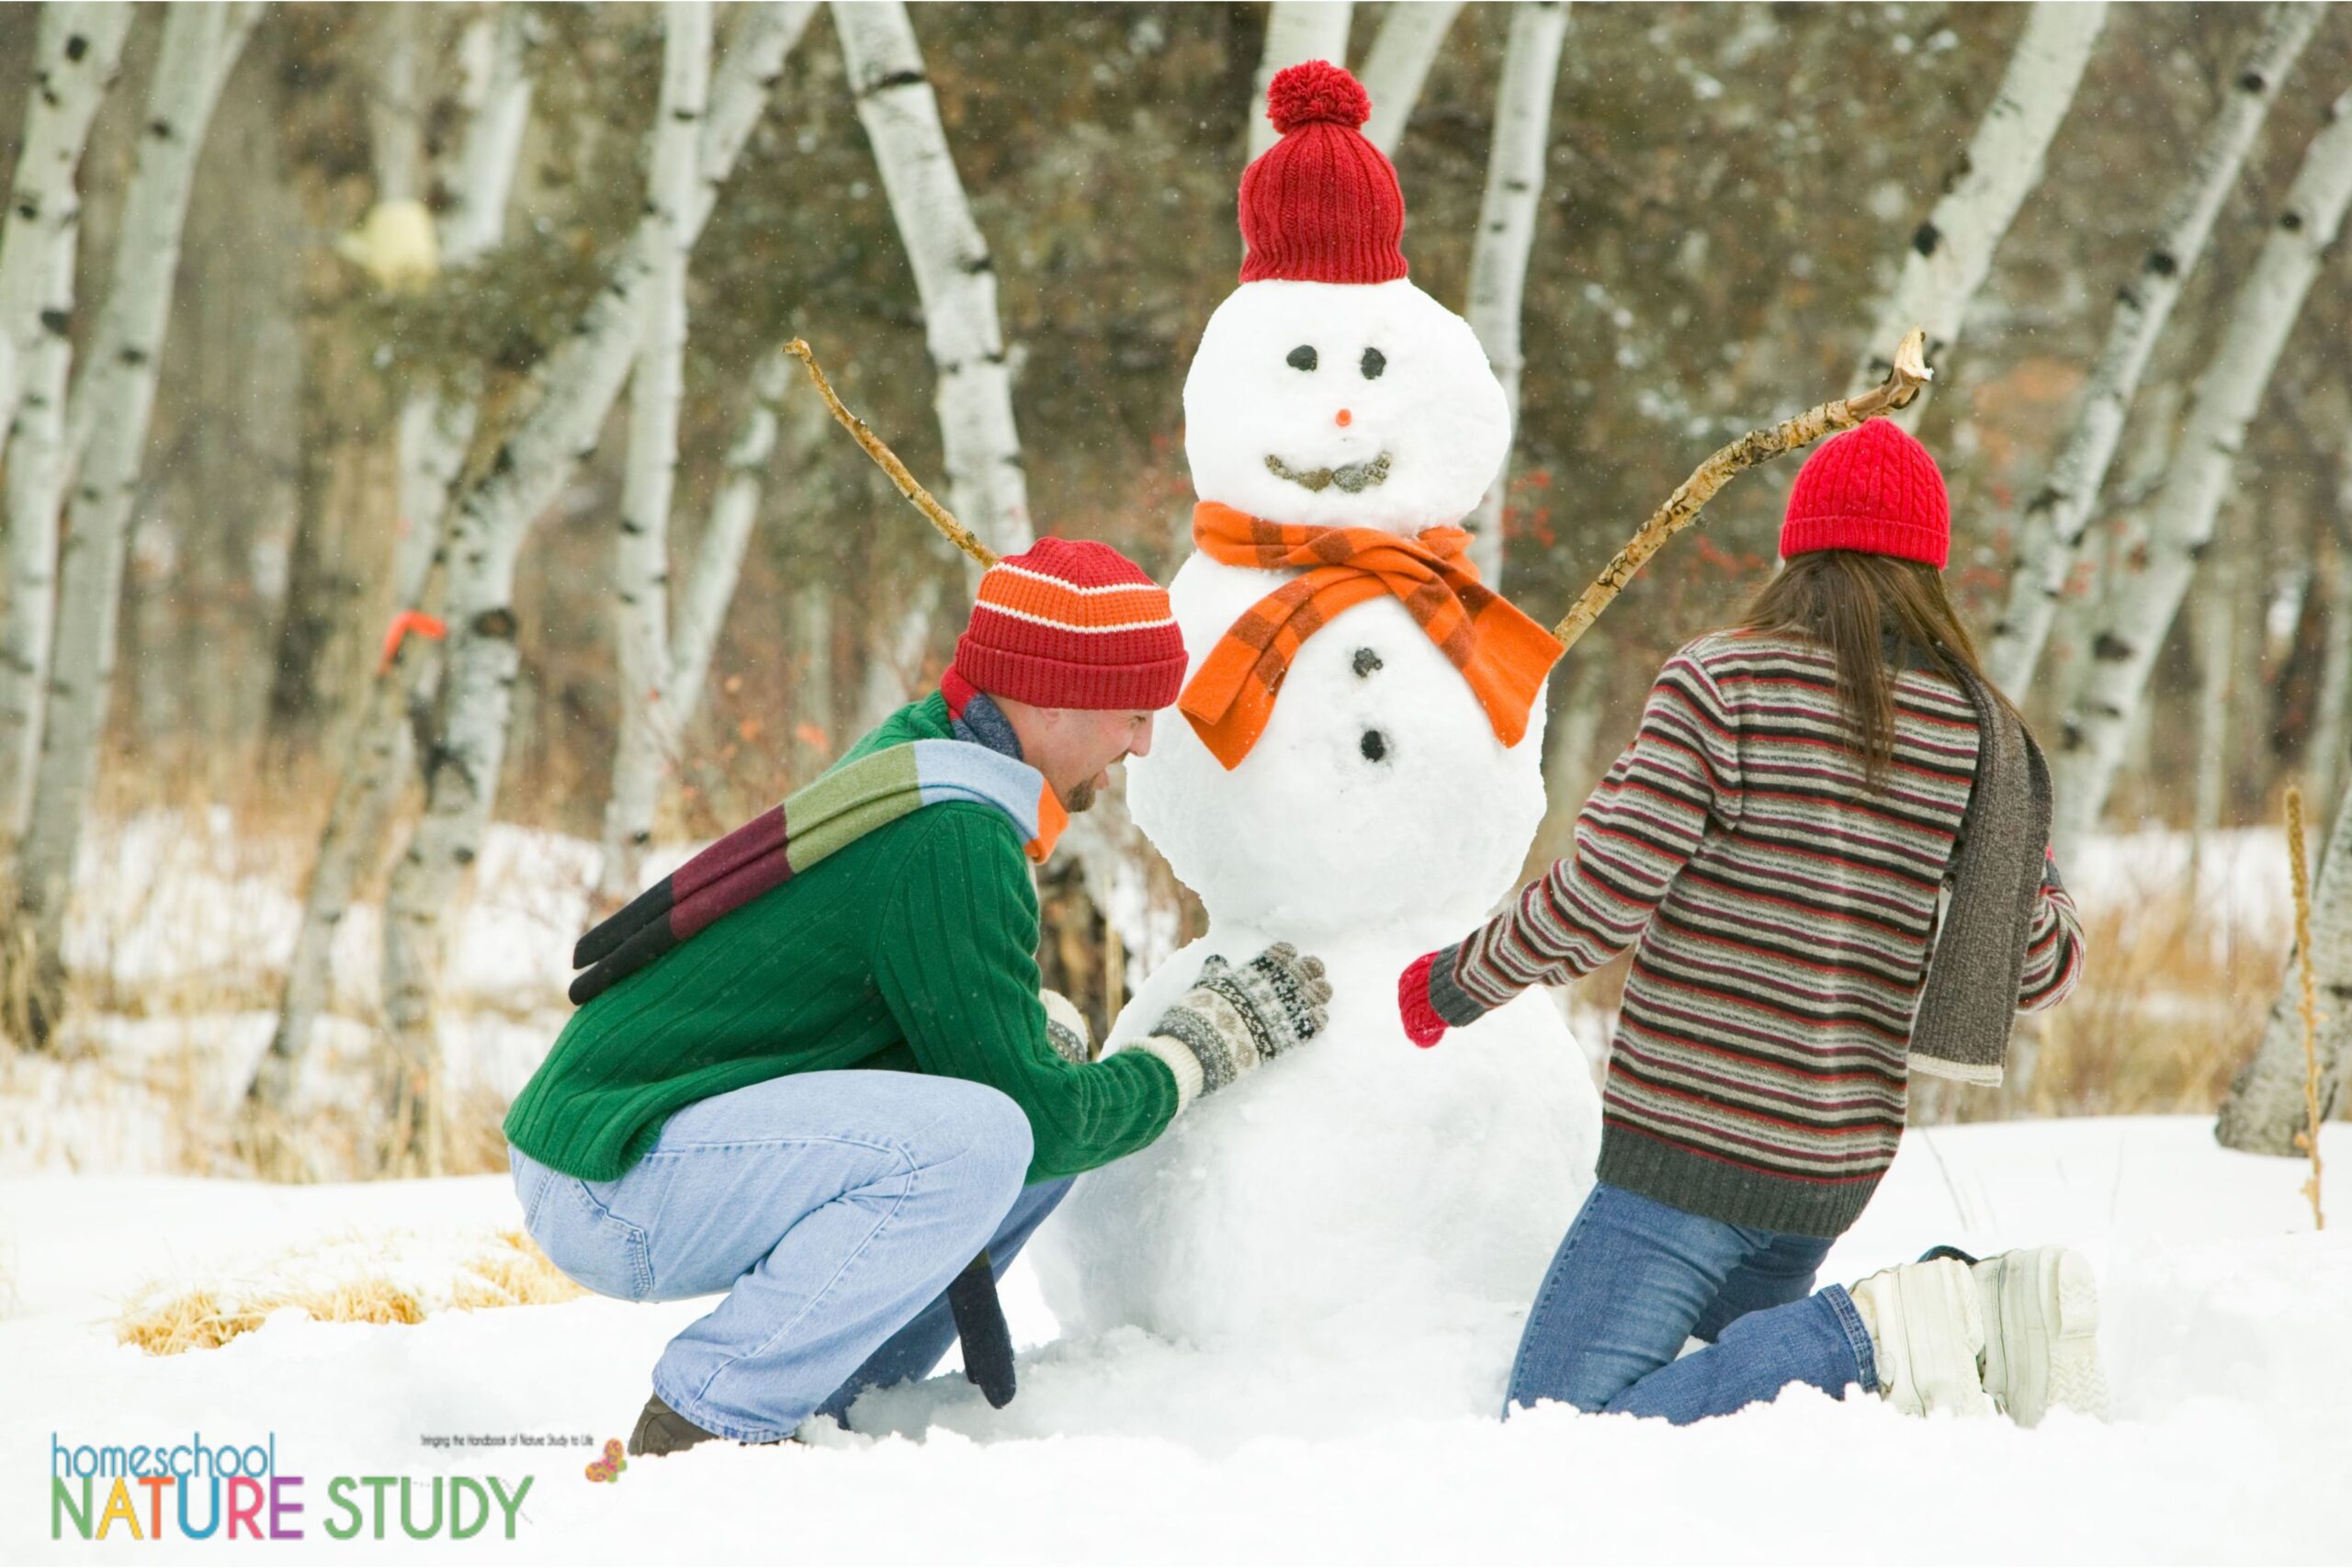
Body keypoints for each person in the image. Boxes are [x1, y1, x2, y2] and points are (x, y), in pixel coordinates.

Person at [505, 537, 1331, 1455]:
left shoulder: (929, 752)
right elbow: (1041, 1126)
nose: (1143, 741)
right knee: (992, 1135)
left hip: (634, 1146)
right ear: (1054, 696)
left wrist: (1025, 1054)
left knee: (1016, 1110)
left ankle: (851, 1409)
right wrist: (1190, 1055)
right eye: (1133, 714)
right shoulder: (953, 833)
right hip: (613, 1180)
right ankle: (709, 1423)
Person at [1398, 420, 2097, 1427]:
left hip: (1690, 1142)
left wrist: (1456, 981)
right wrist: (2032, 853)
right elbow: (2039, 967)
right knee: (1725, 1429)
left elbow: (1601, 894)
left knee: (1562, 1428)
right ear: (1929, 569)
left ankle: (1880, 1330)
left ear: (1799, 548)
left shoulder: (1724, 683)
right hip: (1834, 1161)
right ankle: (1892, 1330)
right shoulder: (1982, 734)